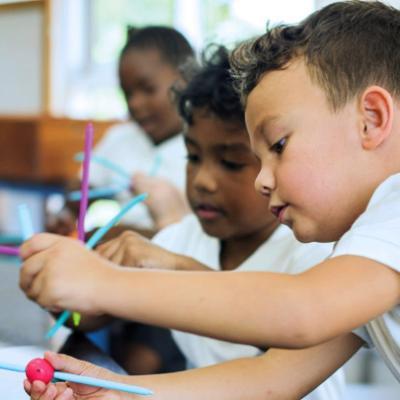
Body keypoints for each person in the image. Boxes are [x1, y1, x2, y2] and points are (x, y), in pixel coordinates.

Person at [20, 1, 400, 398]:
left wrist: (100, 282)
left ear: (371, 119)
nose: (261, 180)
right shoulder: (359, 261)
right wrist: (119, 392)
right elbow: (270, 380)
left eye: (279, 145)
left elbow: (300, 310)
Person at [48, 25, 194, 236]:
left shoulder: (202, 147)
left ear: (187, 80)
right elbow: (80, 191)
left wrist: (123, 234)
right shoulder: (120, 139)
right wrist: (66, 215)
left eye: (148, 89)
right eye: (127, 93)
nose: (134, 104)